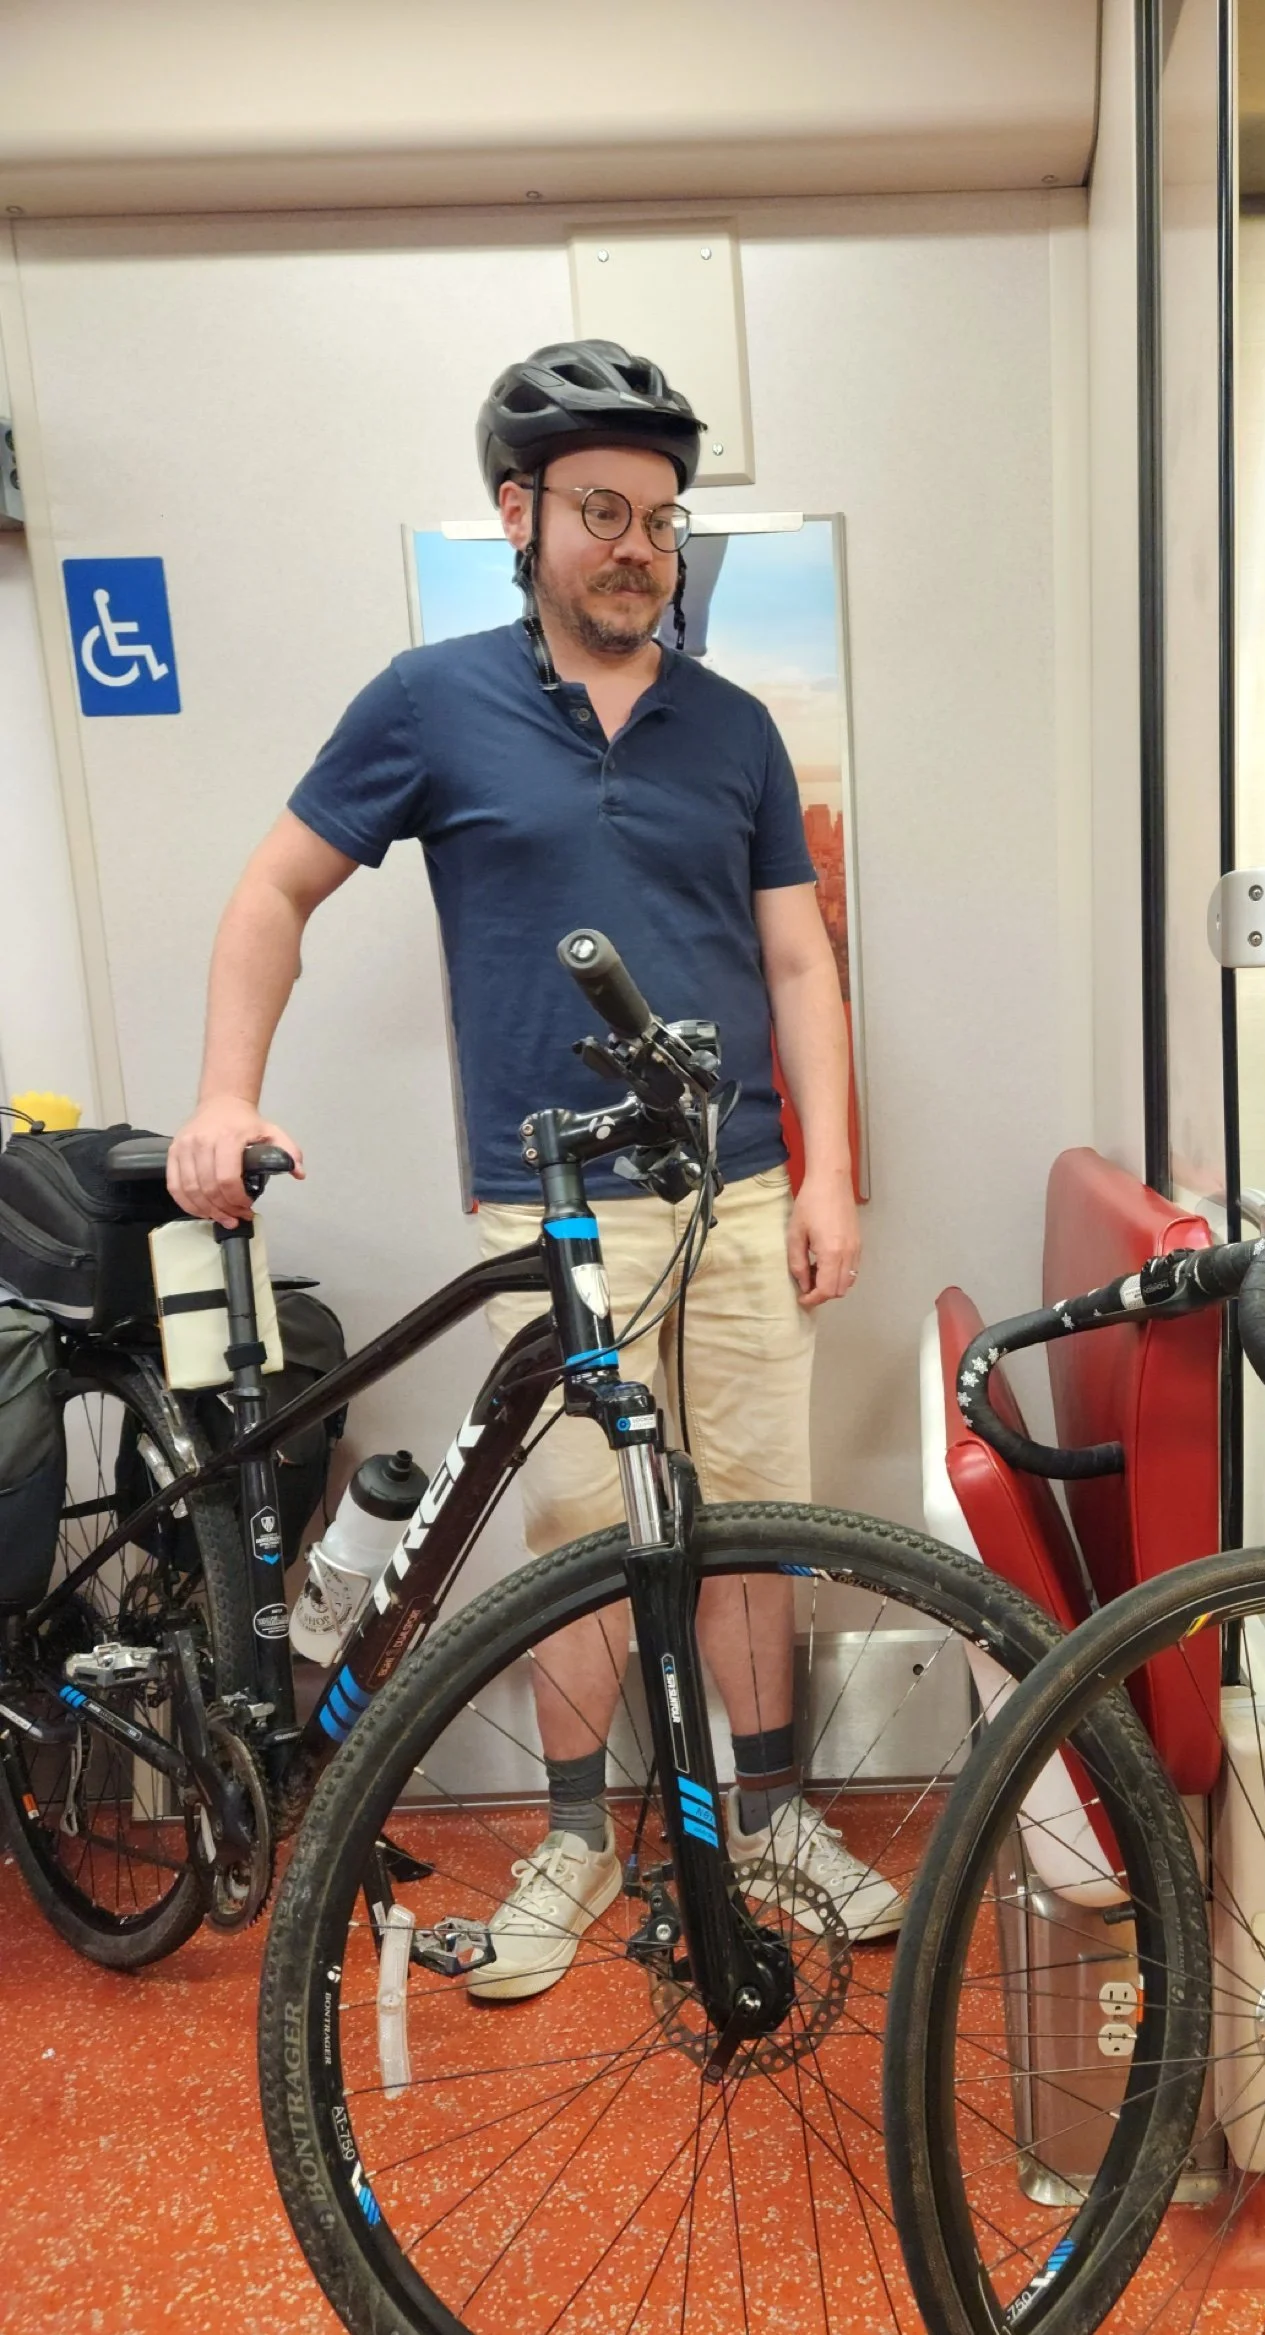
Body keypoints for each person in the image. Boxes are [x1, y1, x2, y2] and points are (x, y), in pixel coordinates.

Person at [167, 339, 901, 1999]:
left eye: (657, 518)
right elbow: (273, 895)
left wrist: (834, 1175)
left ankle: (770, 1816)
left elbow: (801, 965)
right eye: (599, 511)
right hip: (555, 1198)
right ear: (522, 514)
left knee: (754, 1529)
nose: (635, 546)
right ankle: (578, 1835)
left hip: (746, 1189)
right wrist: (226, 1093)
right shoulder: (430, 701)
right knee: (577, 1532)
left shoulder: (733, 731)